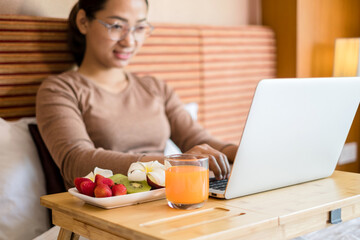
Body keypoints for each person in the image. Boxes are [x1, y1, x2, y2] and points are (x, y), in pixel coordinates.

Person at [36, 0, 238, 189]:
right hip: (103, 211)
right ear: (83, 22)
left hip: (164, 198)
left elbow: (196, 139)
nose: (129, 41)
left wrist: (240, 153)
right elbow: (76, 160)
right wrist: (172, 163)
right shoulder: (59, 90)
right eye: (116, 26)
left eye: (140, 28)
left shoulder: (155, 88)